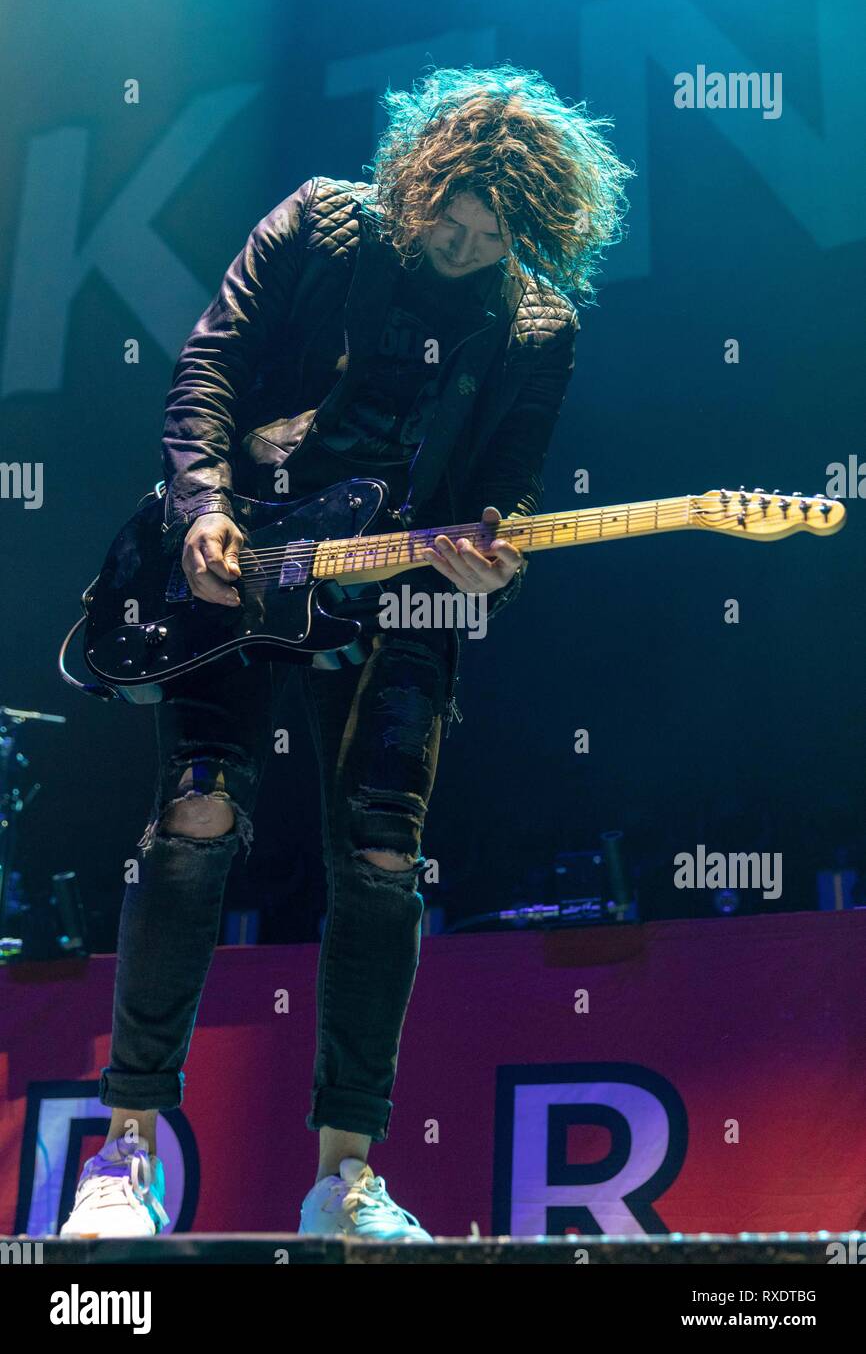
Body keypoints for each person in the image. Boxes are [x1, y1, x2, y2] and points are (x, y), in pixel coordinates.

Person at [60, 64, 630, 1241]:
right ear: (412, 180)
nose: (463, 247)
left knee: (378, 858)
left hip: (397, 597)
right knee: (197, 816)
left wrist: (493, 559)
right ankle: (123, 1159)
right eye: (448, 220)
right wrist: (204, 505)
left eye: (492, 236)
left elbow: (502, 493)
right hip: (236, 567)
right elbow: (206, 368)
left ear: (535, 235)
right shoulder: (321, 224)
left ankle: (347, 1182)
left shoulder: (535, 326)